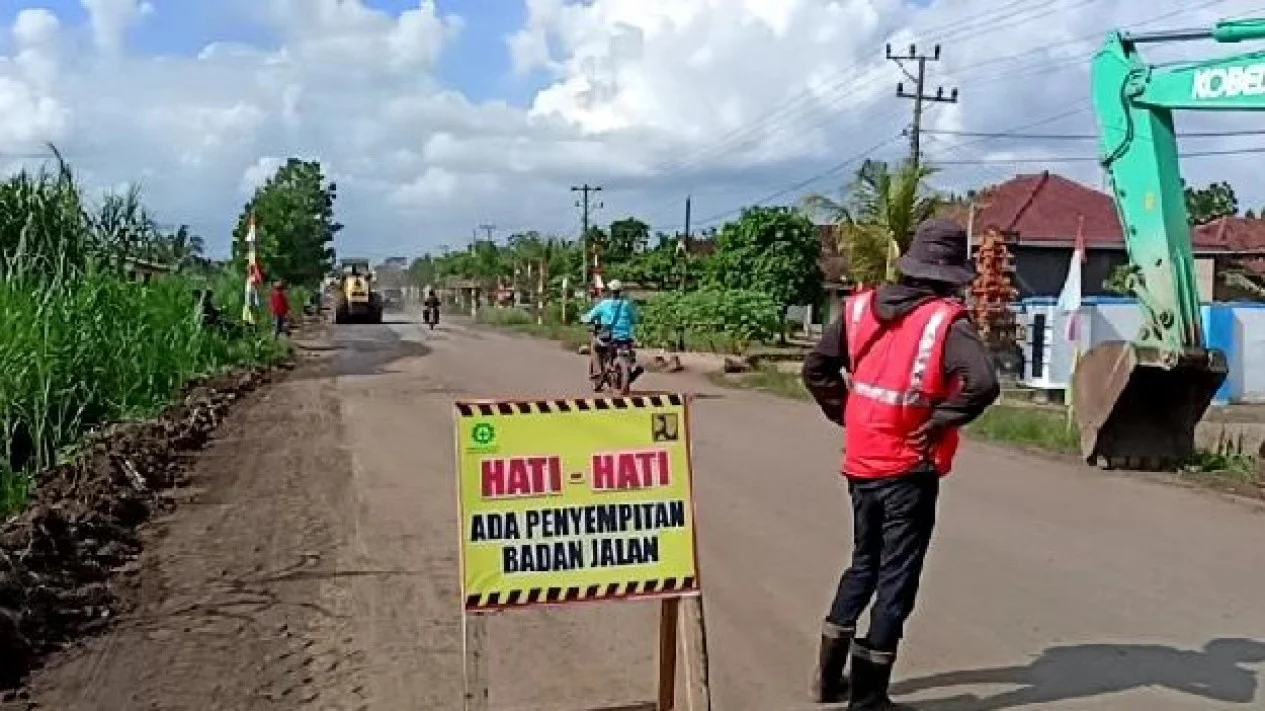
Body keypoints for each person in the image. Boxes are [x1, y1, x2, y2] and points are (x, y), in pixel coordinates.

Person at [801, 218, 1000, 709]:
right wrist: (939, 422)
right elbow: (984, 383)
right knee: (896, 578)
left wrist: (844, 412)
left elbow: (816, 369)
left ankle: (828, 679)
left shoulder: (860, 308)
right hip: (909, 467)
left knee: (863, 564)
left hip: (861, 461)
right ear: (951, 273)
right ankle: (868, 699)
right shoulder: (946, 321)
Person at [580, 279, 643, 390]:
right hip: (625, 338)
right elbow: (634, 320)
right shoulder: (626, 305)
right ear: (620, 291)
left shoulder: (604, 304)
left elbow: (588, 317)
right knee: (630, 351)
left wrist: (583, 318)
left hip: (608, 337)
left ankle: (599, 372)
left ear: (610, 291)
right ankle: (629, 369)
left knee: (594, 345)